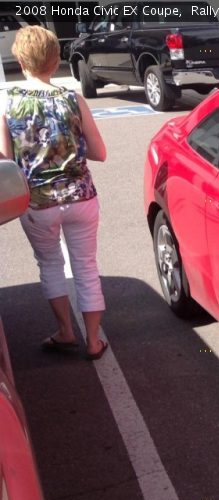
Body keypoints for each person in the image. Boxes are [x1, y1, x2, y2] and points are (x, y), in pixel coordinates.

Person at [0, 26, 109, 360]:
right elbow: (99, 152)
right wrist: (69, 149)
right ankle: (93, 341)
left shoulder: (9, 104)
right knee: (86, 267)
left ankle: (65, 332)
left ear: (20, 59)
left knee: (49, 264)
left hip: (37, 202)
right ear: (56, 58)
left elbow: (5, 160)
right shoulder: (72, 99)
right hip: (81, 196)